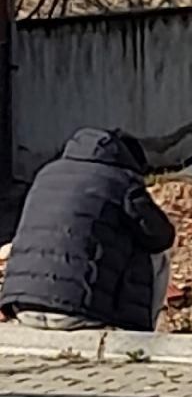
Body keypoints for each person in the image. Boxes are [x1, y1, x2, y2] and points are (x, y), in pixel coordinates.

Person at [0, 128, 175, 332]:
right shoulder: (122, 180)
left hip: (22, 306)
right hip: (77, 313)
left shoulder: (45, 174)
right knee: (155, 253)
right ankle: (141, 332)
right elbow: (161, 236)